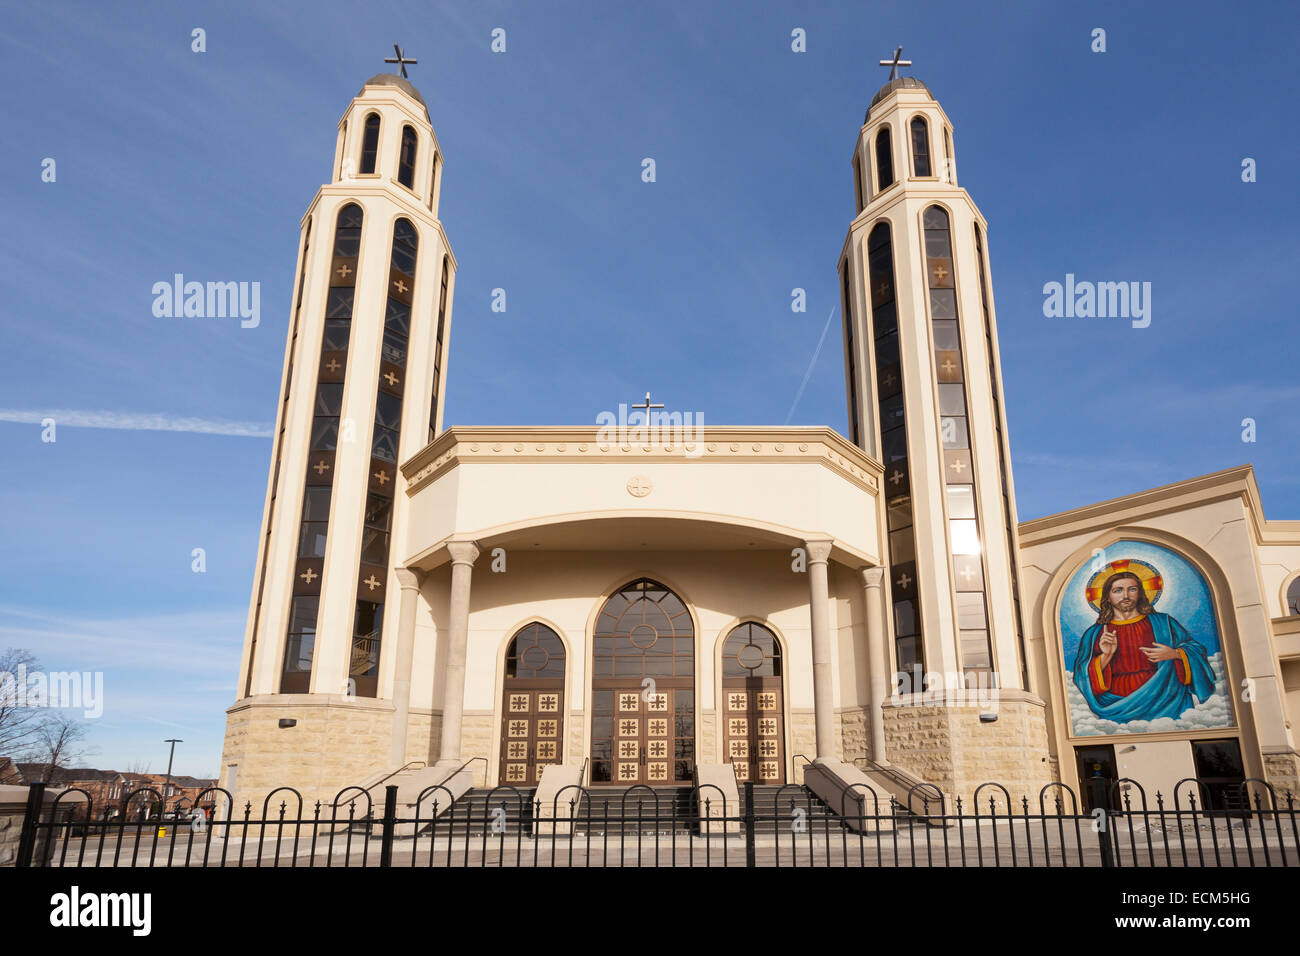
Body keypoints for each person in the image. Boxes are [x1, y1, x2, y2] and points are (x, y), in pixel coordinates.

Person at [1072, 570, 1214, 722]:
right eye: (1118, 590)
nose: (1125, 595)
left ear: (1140, 593)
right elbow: (1082, 675)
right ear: (1108, 596)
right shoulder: (1095, 634)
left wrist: (1175, 654)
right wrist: (1106, 656)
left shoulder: (1163, 623)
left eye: (1132, 589)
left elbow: (1196, 649)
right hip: (1117, 707)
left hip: (1167, 699)